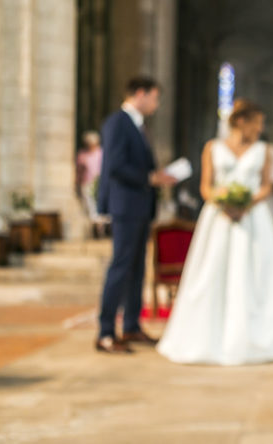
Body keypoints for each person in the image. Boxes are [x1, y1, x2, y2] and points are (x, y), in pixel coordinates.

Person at [157, 99, 273, 366]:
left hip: (253, 217)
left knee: (259, 274)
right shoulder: (213, 147)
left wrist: (246, 202)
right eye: (256, 123)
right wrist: (223, 201)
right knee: (213, 273)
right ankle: (209, 336)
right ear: (240, 121)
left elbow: (266, 186)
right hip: (219, 217)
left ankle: (261, 333)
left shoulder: (263, 150)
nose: (260, 129)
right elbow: (206, 186)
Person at [96, 76, 177, 354]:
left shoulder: (138, 125)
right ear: (140, 94)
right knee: (121, 267)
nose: (156, 104)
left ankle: (131, 326)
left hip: (140, 206)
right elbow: (115, 166)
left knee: (137, 269)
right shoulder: (118, 122)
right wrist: (150, 178)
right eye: (154, 97)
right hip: (126, 206)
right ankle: (106, 332)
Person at [76, 131, 108, 238]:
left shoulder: (101, 153)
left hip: (99, 182)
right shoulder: (82, 154)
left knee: (100, 206)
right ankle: (95, 229)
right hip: (87, 183)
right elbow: (79, 171)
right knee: (91, 207)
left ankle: (101, 228)